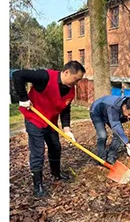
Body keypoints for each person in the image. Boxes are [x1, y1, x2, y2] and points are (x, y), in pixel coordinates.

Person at [12, 61, 85, 197]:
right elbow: (18, 75)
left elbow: (65, 109)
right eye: (76, 79)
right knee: (38, 152)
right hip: (34, 119)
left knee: (55, 147)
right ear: (67, 72)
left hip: (50, 121)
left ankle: (56, 173)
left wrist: (67, 129)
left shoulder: (70, 89)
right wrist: (23, 98)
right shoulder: (45, 76)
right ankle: (38, 185)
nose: (76, 83)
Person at [89, 95, 130, 164]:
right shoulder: (113, 108)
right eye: (129, 114)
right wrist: (127, 144)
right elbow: (116, 126)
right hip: (97, 112)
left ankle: (111, 157)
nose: (129, 117)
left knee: (118, 136)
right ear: (124, 107)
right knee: (102, 135)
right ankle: (102, 159)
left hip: (109, 114)